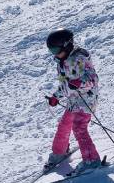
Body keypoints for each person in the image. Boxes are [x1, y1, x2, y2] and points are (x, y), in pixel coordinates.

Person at [44, 28, 104, 174]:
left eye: (56, 49)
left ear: (67, 45)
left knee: (78, 127)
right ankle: (60, 152)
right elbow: (64, 84)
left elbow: (92, 79)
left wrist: (79, 83)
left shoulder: (80, 58)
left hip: (86, 99)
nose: (55, 54)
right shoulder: (61, 62)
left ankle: (91, 160)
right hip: (73, 100)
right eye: (51, 51)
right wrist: (55, 97)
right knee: (64, 125)